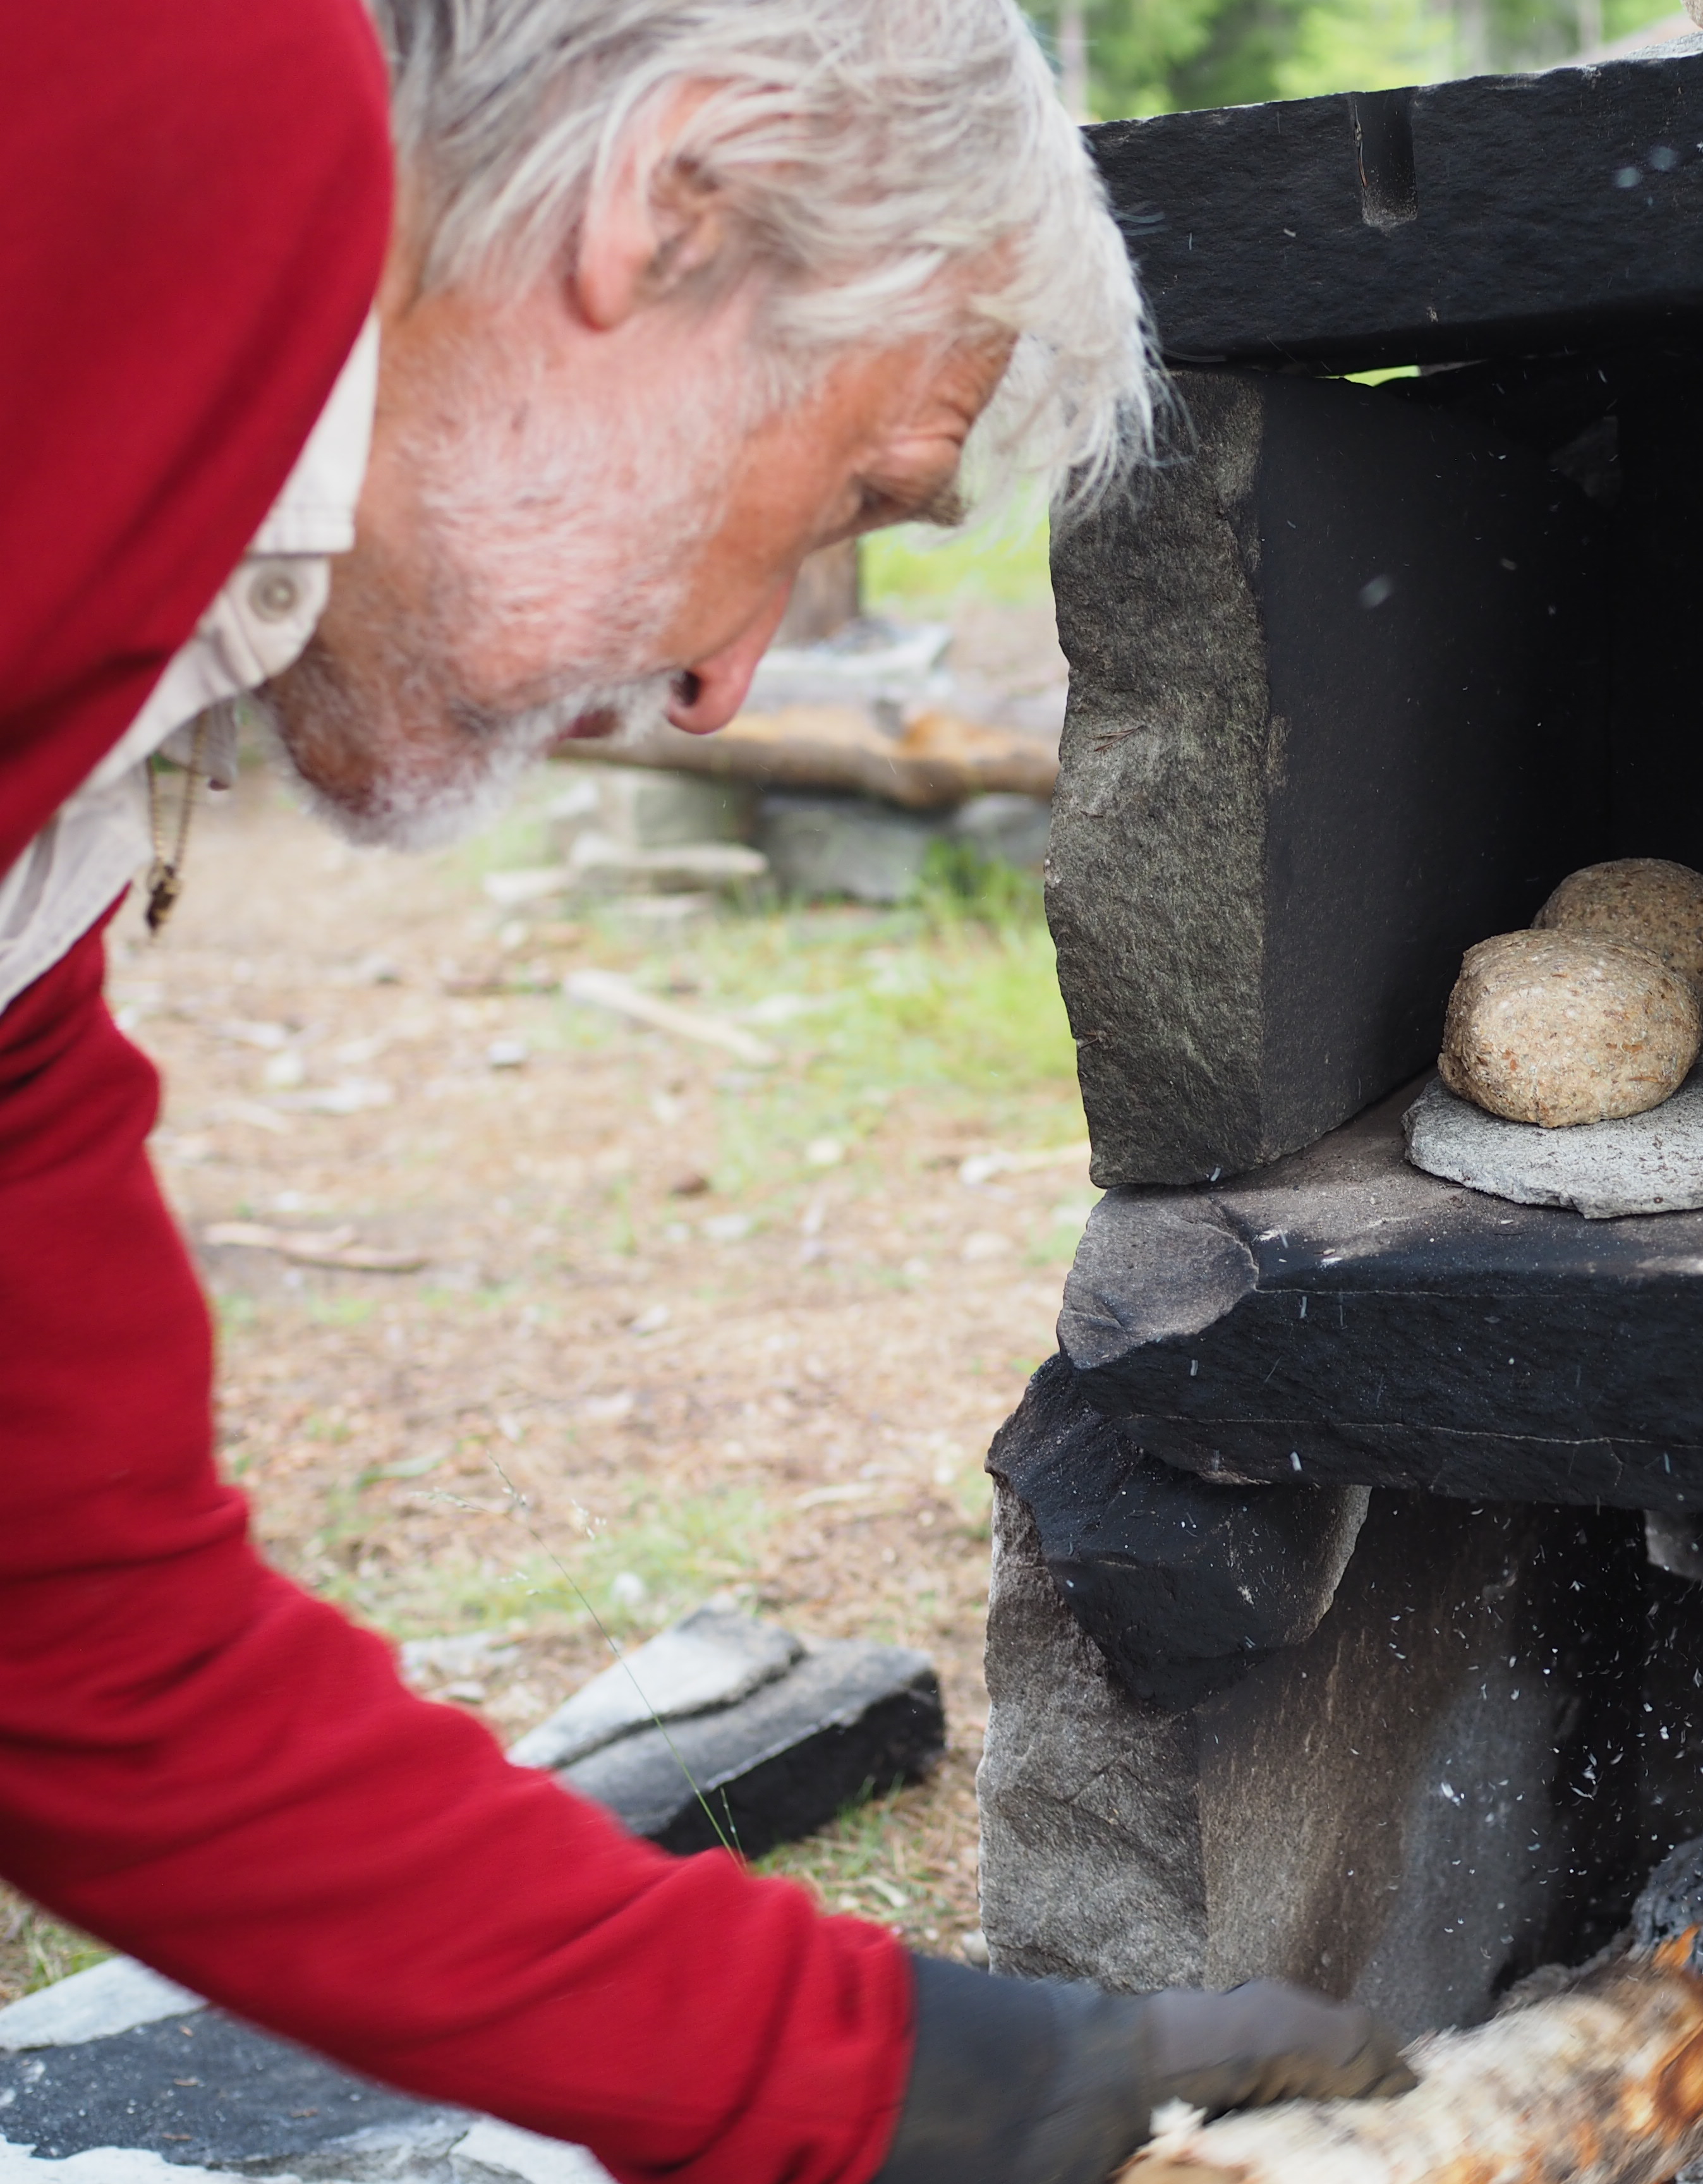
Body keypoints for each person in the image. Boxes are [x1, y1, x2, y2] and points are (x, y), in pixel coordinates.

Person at [0, 4, 1409, 2181]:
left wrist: (915, 2076)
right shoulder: (165, 95)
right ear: (672, 205)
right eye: (852, 494)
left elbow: (87, 1647)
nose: (724, 682)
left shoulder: (56, 805)